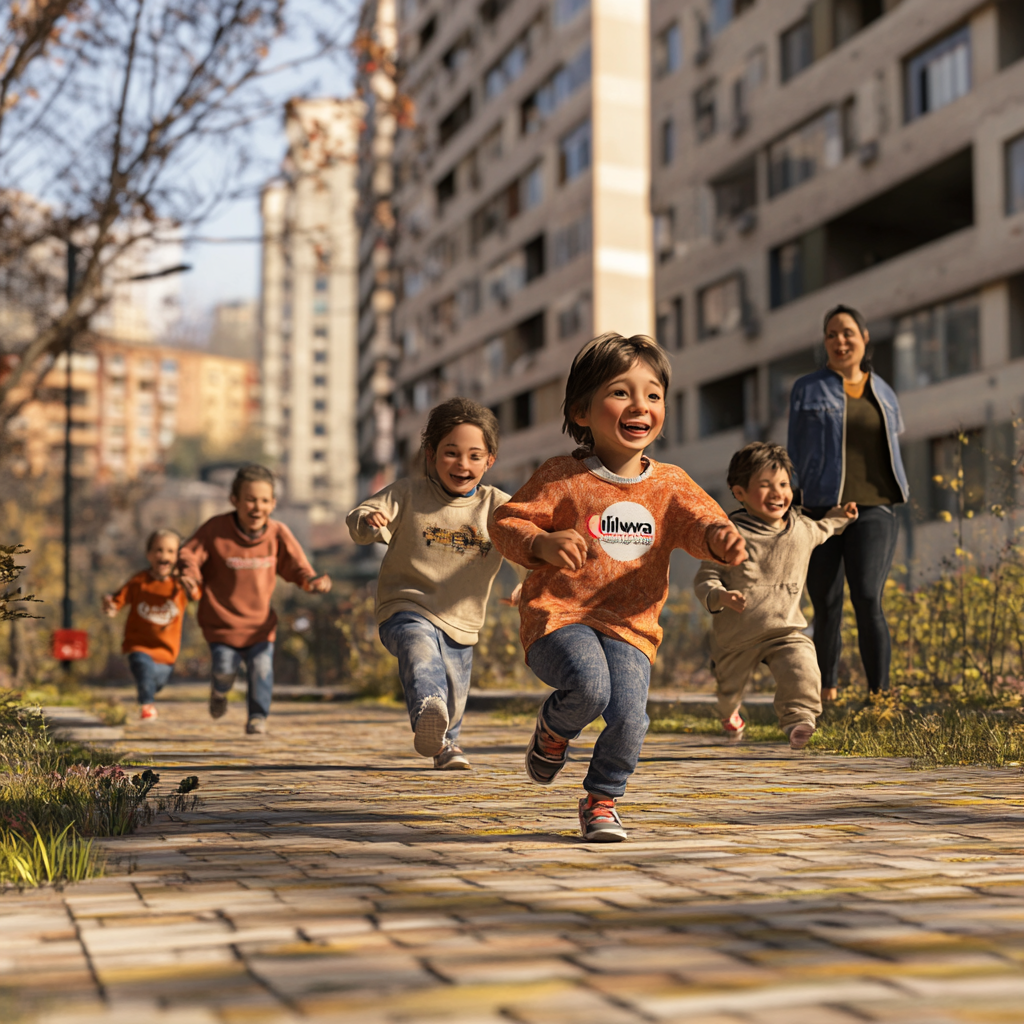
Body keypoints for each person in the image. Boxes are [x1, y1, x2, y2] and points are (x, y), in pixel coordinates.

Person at [491, 332, 746, 843]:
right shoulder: (561, 476)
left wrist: (721, 539)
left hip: (631, 627)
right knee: (589, 686)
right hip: (560, 617)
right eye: (621, 392)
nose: (640, 406)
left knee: (630, 718)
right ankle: (555, 729)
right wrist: (541, 544)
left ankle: (601, 800)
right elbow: (506, 522)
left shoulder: (670, 483)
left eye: (653, 395)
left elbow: (702, 524)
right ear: (582, 411)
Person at [347, 398, 520, 770]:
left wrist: (528, 584)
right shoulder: (408, 494)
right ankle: (427, 707)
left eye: (475, 456)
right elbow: (360, 517)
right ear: (431, 454)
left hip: (462, 617)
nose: (463, 464)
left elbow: (526, 544)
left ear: (490, 460)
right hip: (405, 606)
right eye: (451, 453)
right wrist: (369, 521)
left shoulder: (497, 507)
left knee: (455, 690)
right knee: (419, 650)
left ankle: (446, 745)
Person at [694, 442, 858, 749]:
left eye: (783, 484)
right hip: (737, 635)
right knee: (729, 691)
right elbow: (707, 576)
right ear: (739, 492)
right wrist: (720, 596)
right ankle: (730, 714)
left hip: (784, 629)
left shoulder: (800, 529)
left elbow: (824, 528)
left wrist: (841, 517)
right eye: (765, 486)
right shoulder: (729, 535)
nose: (777, 493)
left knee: (802, 662)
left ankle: (799, 720)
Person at [788, 305, 909, 700]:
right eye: (831, 335)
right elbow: (795, 450)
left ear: (864, 337)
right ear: (825, 343)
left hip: (875, 506)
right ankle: (826, 691)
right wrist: (793, 504)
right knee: (825, 603)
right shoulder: (807, 388)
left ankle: (880, 696)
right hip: (821, 507)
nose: (840, 341)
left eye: (847, 333)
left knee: (869, 596)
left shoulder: (885, 391)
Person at [178, 465, 331, 735]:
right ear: (234, 500)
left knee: (261, 670)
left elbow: (297, 567)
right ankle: (219, 690)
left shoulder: (278, 533)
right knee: (224, 669)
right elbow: (189, 554)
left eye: (263, 500)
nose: (256, 506)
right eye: (249, 499)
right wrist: (189, 575)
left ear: (273, 503)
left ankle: (257, 717)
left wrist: (312, 582)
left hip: (260, 625)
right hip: (222, 623)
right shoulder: (216, 530)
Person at [103, 529, 197, 721]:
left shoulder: (179, 585)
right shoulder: (139, 581)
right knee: (142, 668)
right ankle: (146, 705)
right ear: (149, 554)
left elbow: (196, 595)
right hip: (139, 645)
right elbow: (117, 601)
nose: (164, 556)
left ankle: (149, 694)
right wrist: (110, 607)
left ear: (178, 557)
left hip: (167, 652)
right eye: (158, 550)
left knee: (156, 683)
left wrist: (191, 586)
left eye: (171, 551)